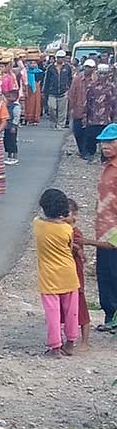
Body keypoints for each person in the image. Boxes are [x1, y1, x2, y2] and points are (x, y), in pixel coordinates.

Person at [34, 189, 81, 357]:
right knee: (71, 311)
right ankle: (70, 343)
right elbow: (69, 247)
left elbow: (40, 219)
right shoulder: (67, 229)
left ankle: (55, 347)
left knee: (52, 312)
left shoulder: (37, 224)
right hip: (68, 273)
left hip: (48, 276)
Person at [95, 124, 117, 332]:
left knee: (112, 273)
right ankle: (110, 316)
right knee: (106, 274)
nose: (105, 146)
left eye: (110, 141)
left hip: (114, 232)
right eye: (103, 142)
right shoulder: (108, 167)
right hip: (104, 230)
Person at [66, 199, 92, 349]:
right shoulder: (63, 230)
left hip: (76, 275)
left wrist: (75, 246)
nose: (63, 216)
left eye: (67, 213)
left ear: (74, 215)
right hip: (66, 275)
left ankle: (85, 342)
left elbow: (77, 250)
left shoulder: (76, 233)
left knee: (81, 308)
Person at [84, 63, 117, 160]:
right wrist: (85, 116)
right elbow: (87, 101)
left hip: (106, 119)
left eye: (104, 73)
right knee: (91, 139)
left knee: (106, 140)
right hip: (93, 119)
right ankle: (91, 155)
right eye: (101, 73)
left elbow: (114, 103)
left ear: (108, 74)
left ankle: (104, 159)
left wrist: (114, 118)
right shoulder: (91, 86)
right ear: (97, 74)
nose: (102, 76)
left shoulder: (112, 87)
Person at [43, 49, 74, 129]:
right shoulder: (50, 67)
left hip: (63, 92)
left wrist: (70, 90)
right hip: (52, 92)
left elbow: (70, 79)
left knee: (62, 110)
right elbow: (47, 80)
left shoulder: (67, 67)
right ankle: (53, 122)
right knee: (52, 108)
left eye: (62, 57)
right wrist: (44, 91)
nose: (60, 59)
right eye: (59, 57)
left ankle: (60, 125)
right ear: (56, 58)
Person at [69, 58, 93, 157]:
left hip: (91, 112)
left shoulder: (96, 80)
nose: (88, 69)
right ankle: (82, 150)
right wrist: (71, 108)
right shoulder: (77, 79)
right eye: (86, 67)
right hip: (78, 110)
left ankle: (87, 151)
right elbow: (72, 93)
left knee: (88, 133)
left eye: (90, 67)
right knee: (78, 132)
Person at [3, 88, 21, 165]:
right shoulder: (7, 105)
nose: (8, 98)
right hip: (7, 126)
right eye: (7, 97)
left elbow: (16, 117)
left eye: (9, 97)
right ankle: (9, 156)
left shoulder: (16, 106)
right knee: (7, 141)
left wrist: (14, 126)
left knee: (12, 141)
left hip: (12, 126)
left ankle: (14, 157)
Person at [25, 59, 43, 125]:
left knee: (37, 102)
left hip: (37, 89)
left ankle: (36, 119)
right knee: (29, 103)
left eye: (34, 63)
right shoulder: (26, 72)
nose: (33, 65)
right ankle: (29, 118)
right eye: (31, 63)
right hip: (29, 88)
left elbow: (40, 81)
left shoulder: (40, 72)